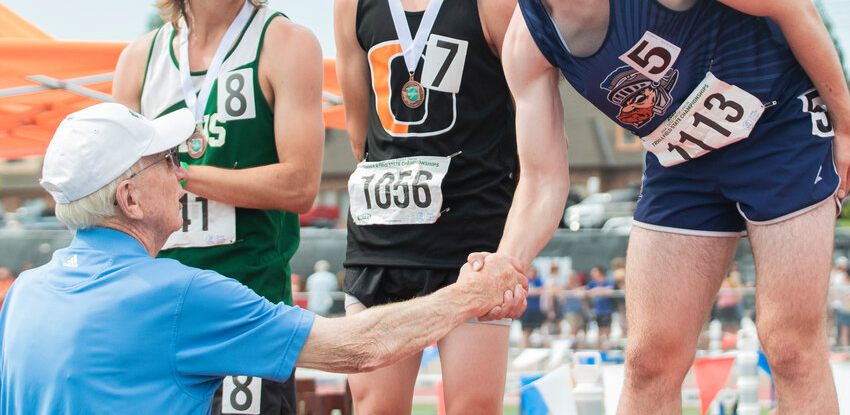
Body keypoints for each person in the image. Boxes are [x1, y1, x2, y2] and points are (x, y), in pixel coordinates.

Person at [424, 0, 849, 414]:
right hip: (683, 162)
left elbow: (789, 2)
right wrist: (508, 260)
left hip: (779, 132)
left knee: (791, 348)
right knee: (649, 360)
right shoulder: (528, 38)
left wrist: (846, 127)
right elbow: (544, 179)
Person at [0, 103, 523, 415]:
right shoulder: (179, 294)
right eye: (168, 160)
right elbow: (360, 347)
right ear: (130, 199)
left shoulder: (25, 293)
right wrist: (471, 293)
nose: (183, 173)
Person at [112, 0, 325, 414]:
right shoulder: (141, 58)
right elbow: (116, 192)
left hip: (247, 311)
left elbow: (300, 184)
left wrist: (176, 173)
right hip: (157, 313)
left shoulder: (286, 43)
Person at [332, 0, 520, 415]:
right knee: (376, 408)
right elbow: (361, 131)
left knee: (470, 407)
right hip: (381, 242)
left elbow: (527, 119)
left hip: (470, 235)